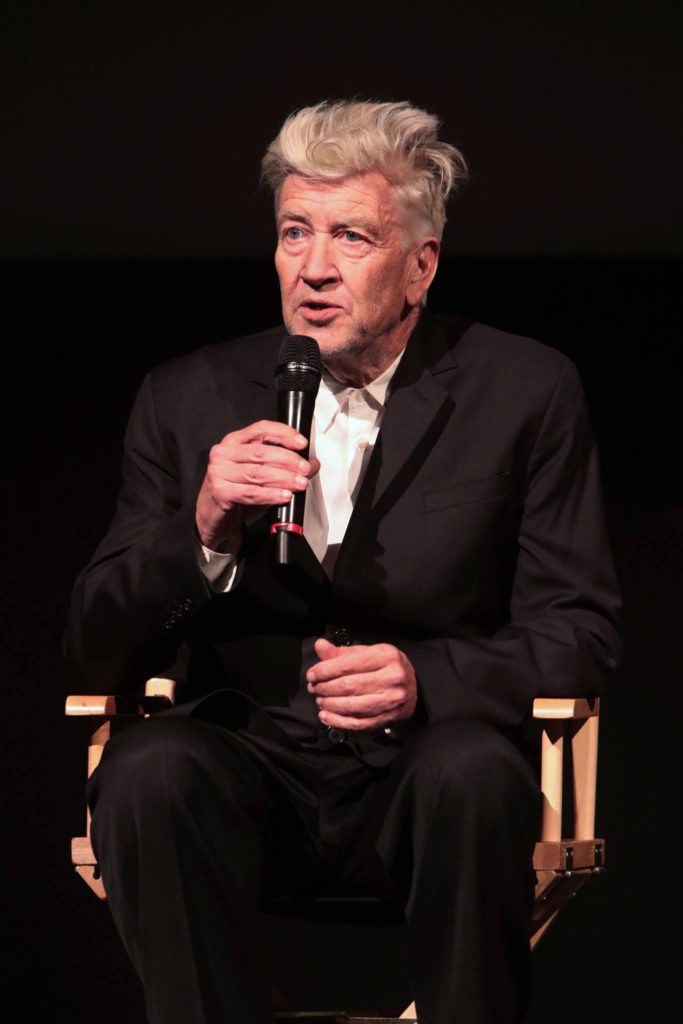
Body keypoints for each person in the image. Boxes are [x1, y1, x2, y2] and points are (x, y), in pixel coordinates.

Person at [65, 100, 621, 1024]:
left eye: (351, 237)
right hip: (251, 777)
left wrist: (422, 677)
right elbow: (91, 647)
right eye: (294, 233)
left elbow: (580, 631)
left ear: (419, 268)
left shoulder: (523, 390)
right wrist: (201, 530)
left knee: (477, 776)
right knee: (145, 770)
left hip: (421, 780)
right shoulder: (185, 395)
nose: (313, 269)